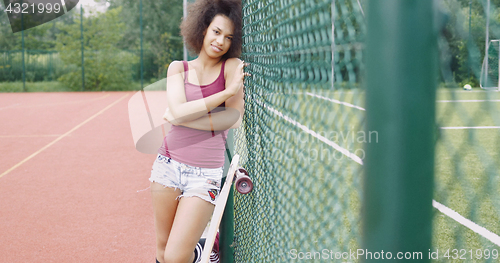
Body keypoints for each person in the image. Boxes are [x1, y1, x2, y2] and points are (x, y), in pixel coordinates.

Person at [149, 0, 248, 262]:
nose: (220, 42)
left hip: (205, 174)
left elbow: (234, 118)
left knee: (176, 255)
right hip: (167, 166)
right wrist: (224, 95)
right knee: (162, 249)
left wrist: (181, 118)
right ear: (203, 29)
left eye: (228, 37)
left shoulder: (231, 67)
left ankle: (203, 250)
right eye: (216, 32)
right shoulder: (177, 68)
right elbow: (178, 111)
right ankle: (203, 250)